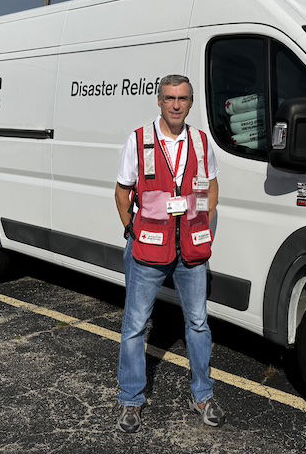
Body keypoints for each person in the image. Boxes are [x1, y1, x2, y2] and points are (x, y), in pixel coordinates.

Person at [114, 74, 224, 433]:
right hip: (148, 249)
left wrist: (202, 224)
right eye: (169, 98)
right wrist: (132, 229)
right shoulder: (139, 140)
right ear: (159, 102)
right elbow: (121, 190)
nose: (176, 105)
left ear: (191, 103)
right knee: (134, 327)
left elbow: (211, 186)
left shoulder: (201, 141)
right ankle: (131, 401)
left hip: (190, 251)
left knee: (197, 323)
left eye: (183, 98)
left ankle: (203, 395)